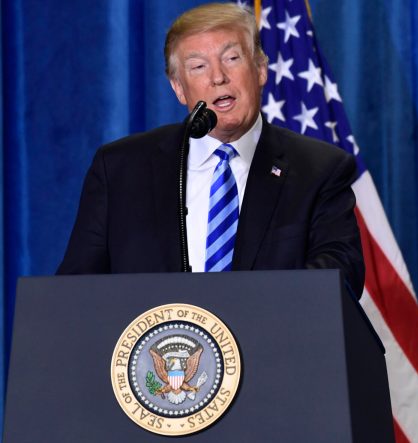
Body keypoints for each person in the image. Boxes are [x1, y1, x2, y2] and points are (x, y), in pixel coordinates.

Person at [57, 3, 364, 297]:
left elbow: (339, 276)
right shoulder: (121, 169)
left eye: (232, 59)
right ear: (178, 87)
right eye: (198, 66)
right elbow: (77, 289)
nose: (218, 77)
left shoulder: (319, 170)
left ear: (260, 70)